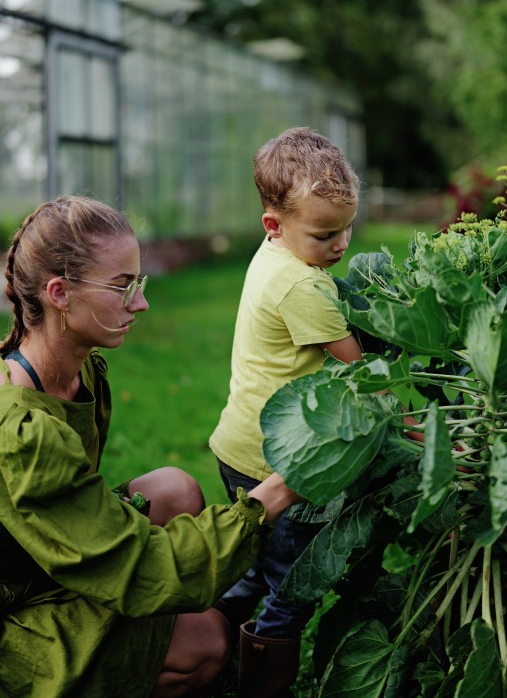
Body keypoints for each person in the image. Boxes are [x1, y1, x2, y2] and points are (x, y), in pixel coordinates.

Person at [0, 195, 300, 698]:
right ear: (59, 293)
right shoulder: (21, 429)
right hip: (14, 613)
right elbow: (139, 569)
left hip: (49, 560)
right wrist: (277, 490)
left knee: (175, 490)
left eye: (138, 283)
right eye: (123, 286)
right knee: (207, 641)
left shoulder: (81, 374)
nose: (140, 303)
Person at [209, 126, 363, 697]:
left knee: (253, 569)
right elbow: (361, 371)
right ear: (274, 224)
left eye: (346, 228)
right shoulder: (301, 286)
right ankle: (262, 684)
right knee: (292, 586)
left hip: (238, 449)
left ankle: (204, 648)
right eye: (324, 234)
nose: (340, 245)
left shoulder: (274, 255)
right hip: (278, 463)